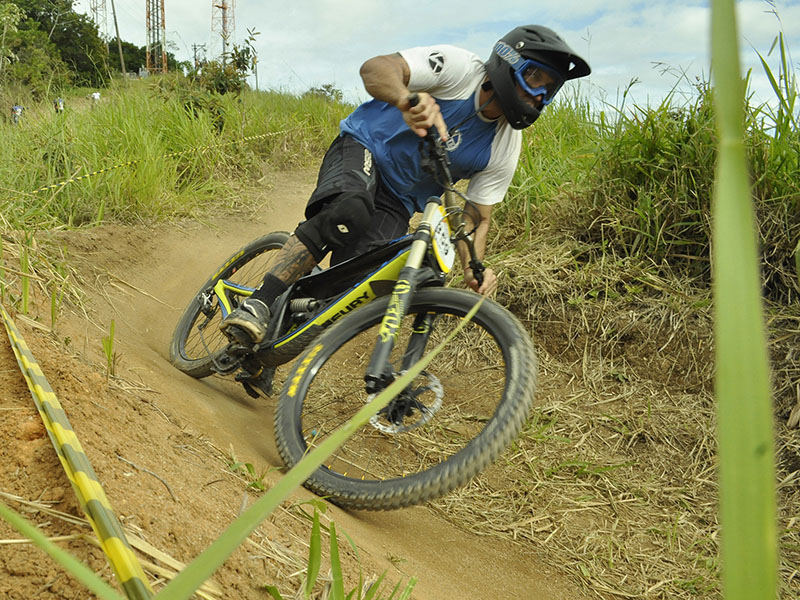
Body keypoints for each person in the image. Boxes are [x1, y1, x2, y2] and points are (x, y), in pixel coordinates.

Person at [221, 24, 591, 344]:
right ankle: (261, 301)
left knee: (353, 286)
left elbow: (476, 218)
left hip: (398, 203)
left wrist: (473, 267)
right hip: (363, 147)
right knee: (348, 212)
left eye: (550, 88)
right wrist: (406, 97)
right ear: (507, 64)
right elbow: (376, 69)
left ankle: (272, 346)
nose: (539, 95)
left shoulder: (505, 145)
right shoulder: (459, 68)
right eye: (534, 78)